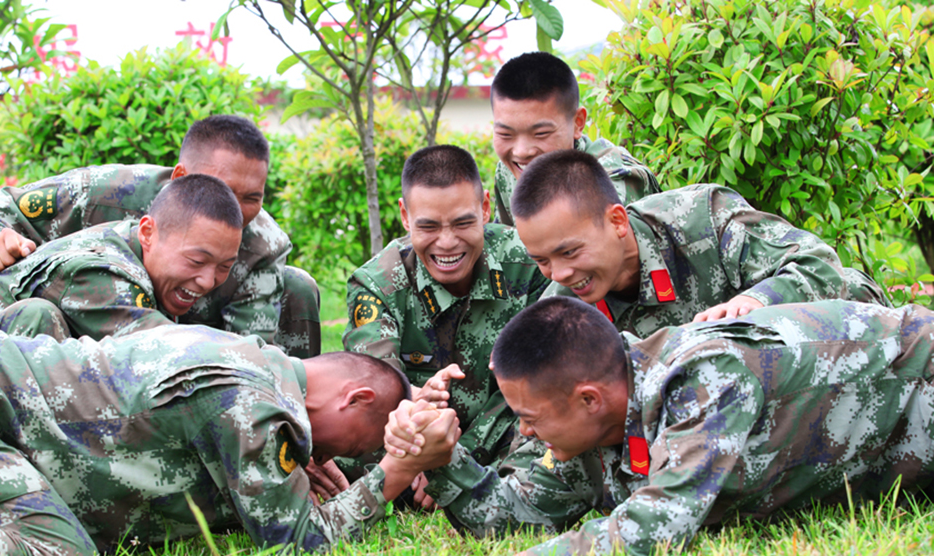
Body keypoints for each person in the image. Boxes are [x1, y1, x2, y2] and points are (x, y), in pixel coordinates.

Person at [385, 296, 934, 556]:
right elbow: (514, 518)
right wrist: (441, 458)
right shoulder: (594, 424)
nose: (523, 432)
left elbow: (658, 528)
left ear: (587, 399)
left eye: (530, 419)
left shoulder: (704, 375)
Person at [0, 302, 458, 556]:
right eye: (351, 445)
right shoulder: (248, 399)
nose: (329, 457)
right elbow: (299, 545)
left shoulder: (249, 358)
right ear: (356, 398)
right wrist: (397, 472)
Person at [0, 114, 321, 358]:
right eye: (219, 189)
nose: (236, 211)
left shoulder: (262, 245)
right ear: (180, 178)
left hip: (178, 338)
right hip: (64, 332)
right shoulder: (107, 194)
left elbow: (247, 351)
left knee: (296, 286)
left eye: (252, 197)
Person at [343, 145, 550, 499]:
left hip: (505, 432)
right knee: (344, 444)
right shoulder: (377, 284)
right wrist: (417, 427)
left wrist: (453, 460)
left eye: (463, 222)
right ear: (406, 217)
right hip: (407, 440)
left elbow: (539, 379)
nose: (448, 242)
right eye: (428, 226)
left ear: (485, 207)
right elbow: (378, 391)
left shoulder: (528, 262)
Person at [512, 150, 889, 337]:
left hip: (839, 343)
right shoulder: (560, 311)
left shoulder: (701, 218)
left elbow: (819, 265)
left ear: (617, 221)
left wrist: (755, 302)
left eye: (569, 252)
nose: (560, 273)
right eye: (542, 260)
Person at [0, 174, 242, 343]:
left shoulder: (148, 256)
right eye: (196, 261)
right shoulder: (101, 271)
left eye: (224, 267)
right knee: (37, 316)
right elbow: (169, 351)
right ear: (148, 233)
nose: (207, 281)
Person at [490, 51, 660, 226]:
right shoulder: (510, 169)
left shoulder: (611, 178)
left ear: (578, 123)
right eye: (506, 135)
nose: (522, 151)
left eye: (540, 134)